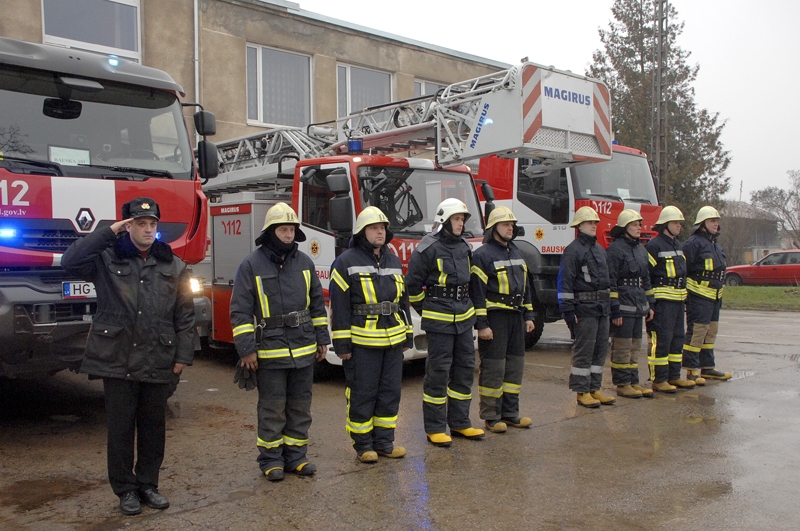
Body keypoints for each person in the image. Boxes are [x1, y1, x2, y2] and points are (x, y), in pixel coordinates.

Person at [61, 197, 195, 516]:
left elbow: (185, 314)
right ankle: (125, 490)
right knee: (120, 429)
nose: (148, 229)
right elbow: (70, 261)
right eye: (140, 224)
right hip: (117, 357)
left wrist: (183, 355)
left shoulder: (173, 264)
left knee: (153, 428)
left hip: (157, 356)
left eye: (152, 224)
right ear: (128, 226)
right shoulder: (107, 257)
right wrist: (109, 232)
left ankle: (148, 485)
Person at [229, 202, 330, 482]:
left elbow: (317, 305)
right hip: (270, 351)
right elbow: (240, 311)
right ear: (270, 232)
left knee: (300, 407)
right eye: (283, 229)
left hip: (304, 348)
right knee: (272, 408)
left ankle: (296, 457)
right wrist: (247, 350)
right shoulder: (251, 265)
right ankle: (271, 459)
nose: (288, 235)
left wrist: (322, 339)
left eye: (291, 230)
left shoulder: (305, 263)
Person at [329, 207, 412, 462]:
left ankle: (385, 442)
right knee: (363, 394)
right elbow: (339, 307)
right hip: (362, 343)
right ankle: (363, 445)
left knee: (390, 393)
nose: (380, 232)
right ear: (362, 232)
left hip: (393, 341)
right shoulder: (345, 262)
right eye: (374, 228)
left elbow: (403, 301)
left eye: (383, 228)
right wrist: (342, 344)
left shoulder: (393, 260)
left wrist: (408, 334)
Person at [406, 198, 485, 446]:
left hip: (463, 320)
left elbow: (471, 283)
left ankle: (460, 423)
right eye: (457, 219)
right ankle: (435, 427)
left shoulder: (464, 247)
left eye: (462, 219)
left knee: (464, 371)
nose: (461, 224)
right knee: (438, 374)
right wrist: (428, 309)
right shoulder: (427, 249)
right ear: (444, 221)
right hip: (439, 322)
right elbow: (412, 286)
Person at [470, 206, 536, 432]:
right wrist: (482, 325)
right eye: (506, 224)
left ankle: (510, 413)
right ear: (493, 228)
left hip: (516, 317)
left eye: (512, 225)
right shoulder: (482, 255)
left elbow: (526, 288)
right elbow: (477, 293)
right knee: (494, 368)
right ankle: (491, 416)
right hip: (495, 318)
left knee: (514, 367)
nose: (510, 228)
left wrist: (529, 315)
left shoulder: (516, 252)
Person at [557, 206, 616, 408]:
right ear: (579, 225)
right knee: (584, 351)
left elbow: (608, 281)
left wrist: (610, 306)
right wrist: (567, 310)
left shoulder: (599, 249)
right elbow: (565, 282)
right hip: (584, 309)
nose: (594, 225)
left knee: (600, 350)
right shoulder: (573, 250)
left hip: (601, 308)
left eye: (595, 222)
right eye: (590, 222)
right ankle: (582, 392)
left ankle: (594, 388)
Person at [645, 206, 698, 391]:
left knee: (677, 339)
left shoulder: (678, 245)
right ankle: (659, 380)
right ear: (665, 224)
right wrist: (650, 303)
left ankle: (674, 376)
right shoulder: (654, 246)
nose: (678, 226)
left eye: (680, 223)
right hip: (662, 303)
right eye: (675, 223)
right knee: (662, 340)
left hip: (678, 301)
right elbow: (646, 276)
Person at [606, 209, 656, 398]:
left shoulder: (641, 250)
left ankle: (633, 381)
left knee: (635, 346)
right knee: (622, 346)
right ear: (624, 227)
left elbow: (646, 279)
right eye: (635, 225)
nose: (639, 228)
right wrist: (615, 310)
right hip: (623, 308)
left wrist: (650, 304)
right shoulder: (615, 250)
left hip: (638, 306)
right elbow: (610, 282)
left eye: (639, 224)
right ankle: (622, 383)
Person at [682, 206, 731, 382]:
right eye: (712, 221)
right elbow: (684, 270)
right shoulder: (692, 244)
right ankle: (692, 369)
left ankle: (708, 367)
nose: (716, 224)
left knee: (711, 332)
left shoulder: (715, 245)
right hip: (698, 296)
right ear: (702, 224)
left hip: (715, 296)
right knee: (697, 332)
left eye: (717, 221)